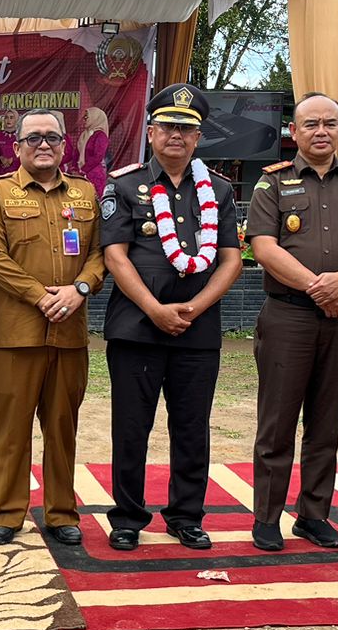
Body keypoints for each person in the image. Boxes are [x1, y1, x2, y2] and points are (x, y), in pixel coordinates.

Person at [245, 93, 338, 552]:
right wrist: (319, 288)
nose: (321, 131)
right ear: (295, 131)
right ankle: (267, 518)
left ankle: (314, 515)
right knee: (277, 422)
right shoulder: (271, 184)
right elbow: (263, 248)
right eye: (311, 124)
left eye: (330, 123)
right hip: (289, 315)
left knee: (326, 421)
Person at [101, 83, 242, 551]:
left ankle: (186, 515)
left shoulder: (218, 190)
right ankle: (127, 516)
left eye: (187, 128)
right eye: (167, 127)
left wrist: (195, 307)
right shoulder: (124, 185)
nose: (176, 136)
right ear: (151, 131)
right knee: (131, 426)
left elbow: (230, 258)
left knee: (191, 426)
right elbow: (116, 256)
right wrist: (155, 309)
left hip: (197, 331)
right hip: (137, 328)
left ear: (198, 137)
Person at [0, 109, 106, 545]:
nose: (43, 144)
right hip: (14, 334)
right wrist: (41, 296)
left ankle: (61, 512)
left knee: (62, 426)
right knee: (11, 429)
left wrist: (80, 288)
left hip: (69, 333)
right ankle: (8, 514)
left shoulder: (86, 194)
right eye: (33, 138)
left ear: (65, 144)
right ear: (17, 147)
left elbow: (100, 253)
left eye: (52, 136)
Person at [71, 105, 111, 197]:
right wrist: (74, 169)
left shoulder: (100, 135)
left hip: (94, 174)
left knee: (93, 200)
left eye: (86, 117)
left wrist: (83, 170)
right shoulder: (84, 135)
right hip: (79, 174)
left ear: (95, 118)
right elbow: (76, 153)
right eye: (84, 118)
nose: (84, 120)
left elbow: (98, 156)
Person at [0, 109, 21, 178]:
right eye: (6, 117)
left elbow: (26, 154)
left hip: (17, 174)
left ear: (16, 120)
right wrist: (0, 158)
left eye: (11, 117)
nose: (8, 120)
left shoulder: (21, 135)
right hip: (0, 173)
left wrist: (13, 160)